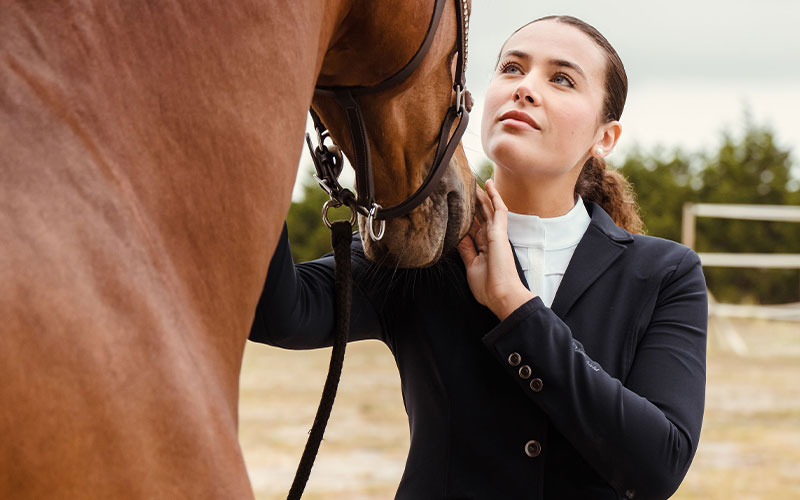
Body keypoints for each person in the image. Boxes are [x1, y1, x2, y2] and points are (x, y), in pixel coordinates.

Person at [250, 15, 707, 500]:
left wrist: (514, 305)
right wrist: (258, 126)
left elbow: (658, 465)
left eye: (561, 79)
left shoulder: (667, 273)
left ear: (605, 137)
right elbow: (279, 314)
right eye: (512, 68)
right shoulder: (425, 248)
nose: (525, 88)